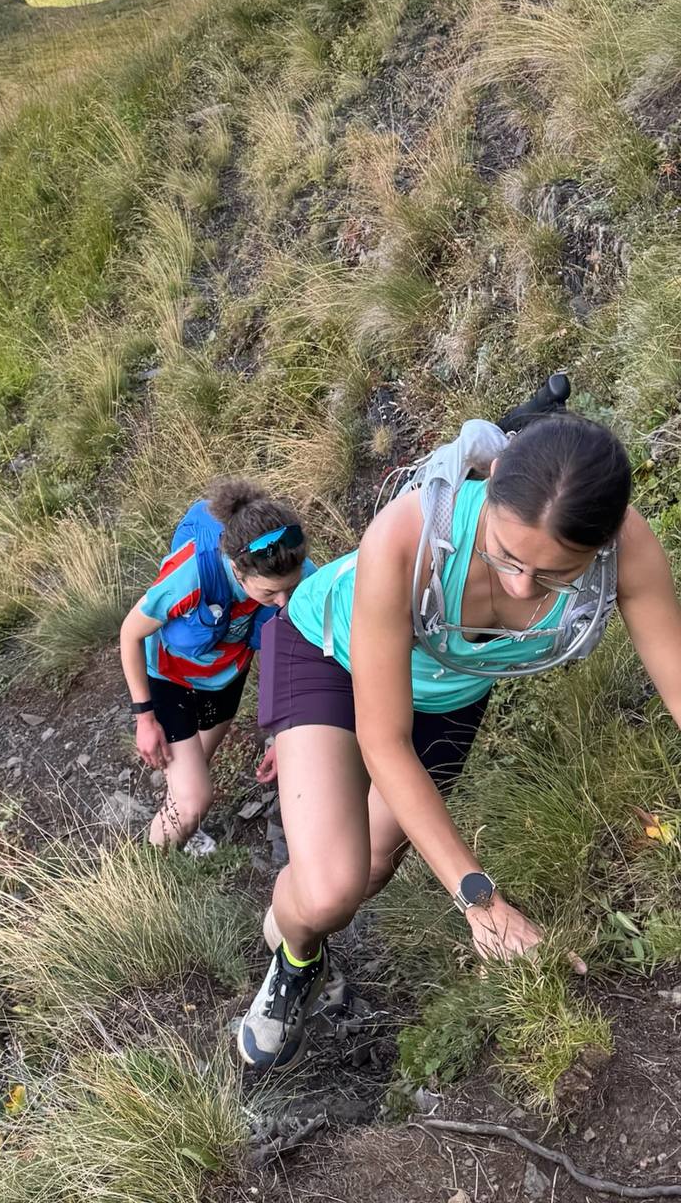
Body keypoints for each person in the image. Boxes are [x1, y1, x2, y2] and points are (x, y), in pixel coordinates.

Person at [238, 412, 681, 1072]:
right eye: (506, 555)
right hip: (327, 651)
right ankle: (297, 957)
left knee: (371, 870)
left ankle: (299, 896)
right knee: (331, 889)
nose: (521, 586)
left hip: (447, 692)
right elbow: (384, 740)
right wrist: (481, 901)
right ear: (492, 483)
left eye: (557, 574)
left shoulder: (626, 548)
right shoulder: (408, 537)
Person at [120, 478, 315, 848]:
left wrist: (284, 735)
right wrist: (144, 719)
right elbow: (130, 633)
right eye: (270, 592)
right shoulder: (192, 574)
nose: (283, 602)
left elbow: (298, 657)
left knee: (190, 779)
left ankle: (178, 827)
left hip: (226, 679)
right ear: (238, 571)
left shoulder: (295, 570)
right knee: (193, 801)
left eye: (290, 588)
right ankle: (153, 864)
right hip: (171, 679)